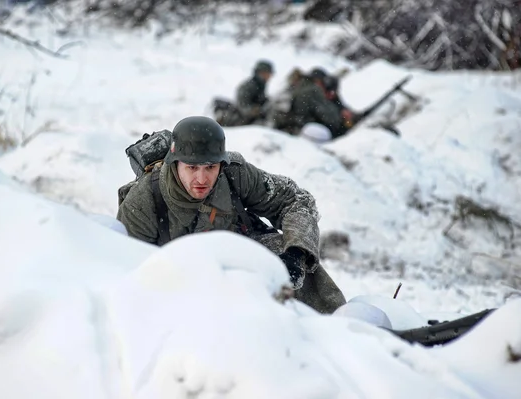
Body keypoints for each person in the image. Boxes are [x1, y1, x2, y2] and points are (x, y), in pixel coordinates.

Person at [116, 116, 347, 314]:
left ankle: (338, 333)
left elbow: (296, 199)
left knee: (280, 251)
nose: (202, 179)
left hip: (240, 263)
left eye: (210, 167)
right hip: (176, 287)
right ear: (175, 164)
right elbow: (129, 276)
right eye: (192, 168)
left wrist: (296, 253)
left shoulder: (234, 173)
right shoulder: (143, 202)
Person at [236, 60, 274, 125]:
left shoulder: (260, 85)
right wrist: (254, 110)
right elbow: (242, 107)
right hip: (243, 120)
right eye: (268, 73)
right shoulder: (249, 86)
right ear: (261, 73)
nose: (269, 76)